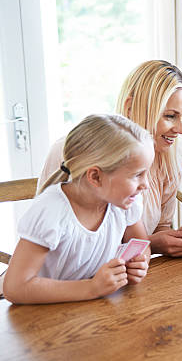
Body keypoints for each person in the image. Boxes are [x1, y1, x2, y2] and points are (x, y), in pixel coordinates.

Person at [37, 60, 182, 257]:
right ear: (130, 107)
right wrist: (153, 244)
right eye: (170, 116)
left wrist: (181, 238)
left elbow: (159, 228)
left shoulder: (168, 157)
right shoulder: (71, 151)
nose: (181, 129)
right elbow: (60, 247)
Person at [4, 114, 154, 304]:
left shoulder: (123, 204)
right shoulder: (51, 212)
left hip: (93, 312)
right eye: (137, 175)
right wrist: (91, 288)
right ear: (96, 177)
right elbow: (15, 288)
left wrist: (139, 263)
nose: (146, 184)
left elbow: (142, 244)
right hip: (42, 318)